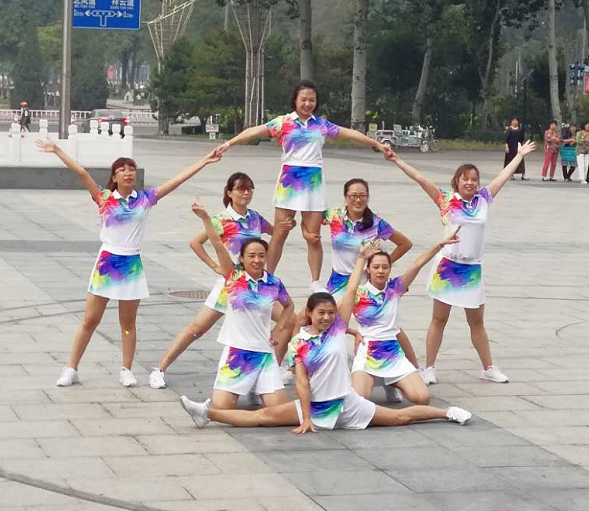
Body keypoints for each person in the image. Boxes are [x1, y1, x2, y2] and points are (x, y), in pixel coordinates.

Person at [179, 243, 472, 432]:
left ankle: (447, 413)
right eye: (321, 313)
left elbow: (351, 291)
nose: (327, 317)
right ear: (310, 313)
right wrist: (306, 417)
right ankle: (206, 413)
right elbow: (302, 383)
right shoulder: (299, 343)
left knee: (399, 417)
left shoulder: (338, 329)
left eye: (331, 313)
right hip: (317, 406)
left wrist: (361, 261)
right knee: (262, 418)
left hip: (347, 403)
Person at [35, 139, 221, 387]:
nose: (128, 172)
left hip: (131, 264)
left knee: (127, 323)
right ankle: (71, 368)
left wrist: (205, 161)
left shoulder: (145, 198)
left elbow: (177, 180)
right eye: (122, 169)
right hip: (107, 262)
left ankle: (126, 369)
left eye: (131, 169)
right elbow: (81, 173)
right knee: (90, 320)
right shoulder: (103, 197)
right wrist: (57, 150)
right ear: (114, 177)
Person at [214, 80, 392, 293]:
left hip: (313, 182)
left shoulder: (322, 124)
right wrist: (228, 144)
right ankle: (265, 277)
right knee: (280, 233)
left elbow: (351, 134)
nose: (307, 104)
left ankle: (315, 282)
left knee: (313, 237)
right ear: (295, 100)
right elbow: (254, 131)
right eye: (303, 99)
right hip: (289, 181)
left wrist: (377, 144)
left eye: (312, 100)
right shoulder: (283, 122)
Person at [386, 140, 536, 385]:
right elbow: (420, 178)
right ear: (456, 181)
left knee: (476, 322)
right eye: (465, 179)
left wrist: (519, 156)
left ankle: (488, 368)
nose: (470, 183)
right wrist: (396, 160)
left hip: (472, 269)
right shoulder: (446, 200)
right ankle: (429, 368)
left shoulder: (483, 199)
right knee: (439, 320)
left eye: (474, 179)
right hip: (448, 267)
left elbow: (502, 177)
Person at [149, 173, 296, 389]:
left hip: (256, 286)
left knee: (290, 319)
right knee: (197, 328)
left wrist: (287, 225)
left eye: (249, 189)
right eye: (240, 189)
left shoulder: (255, 217)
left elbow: (276, 233)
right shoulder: (221, 220)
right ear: (229, 192)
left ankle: (274, 369)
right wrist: (214, 266)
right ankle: (160, 369)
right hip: (231, 285)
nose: (246, 193)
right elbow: (195, 242)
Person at [311, 177, 418, 401]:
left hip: (367, 282)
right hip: (340, 282)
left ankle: (402, 374)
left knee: (388, 328)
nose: (358, 200)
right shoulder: (334, 216)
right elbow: (310, 217)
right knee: (326, 323)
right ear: (345, 197)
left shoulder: (376, 223)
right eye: (353, 196)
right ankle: (320, 372)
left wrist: (381, 265)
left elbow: (405, 243)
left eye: (362, 196)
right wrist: (306, 233)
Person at [187, 203, 295, 410]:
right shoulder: (234, 277)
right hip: (237, 352)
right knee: (222, 406)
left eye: (261, 256)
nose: (257, 260)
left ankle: (212, 412)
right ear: (242, 259)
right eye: (251, 256)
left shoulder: (273, 283)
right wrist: (205, 218)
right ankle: (211, 412)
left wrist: (279, 329)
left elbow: (289, 306)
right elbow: (218, 244)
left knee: (278, 410)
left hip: (264, 353)